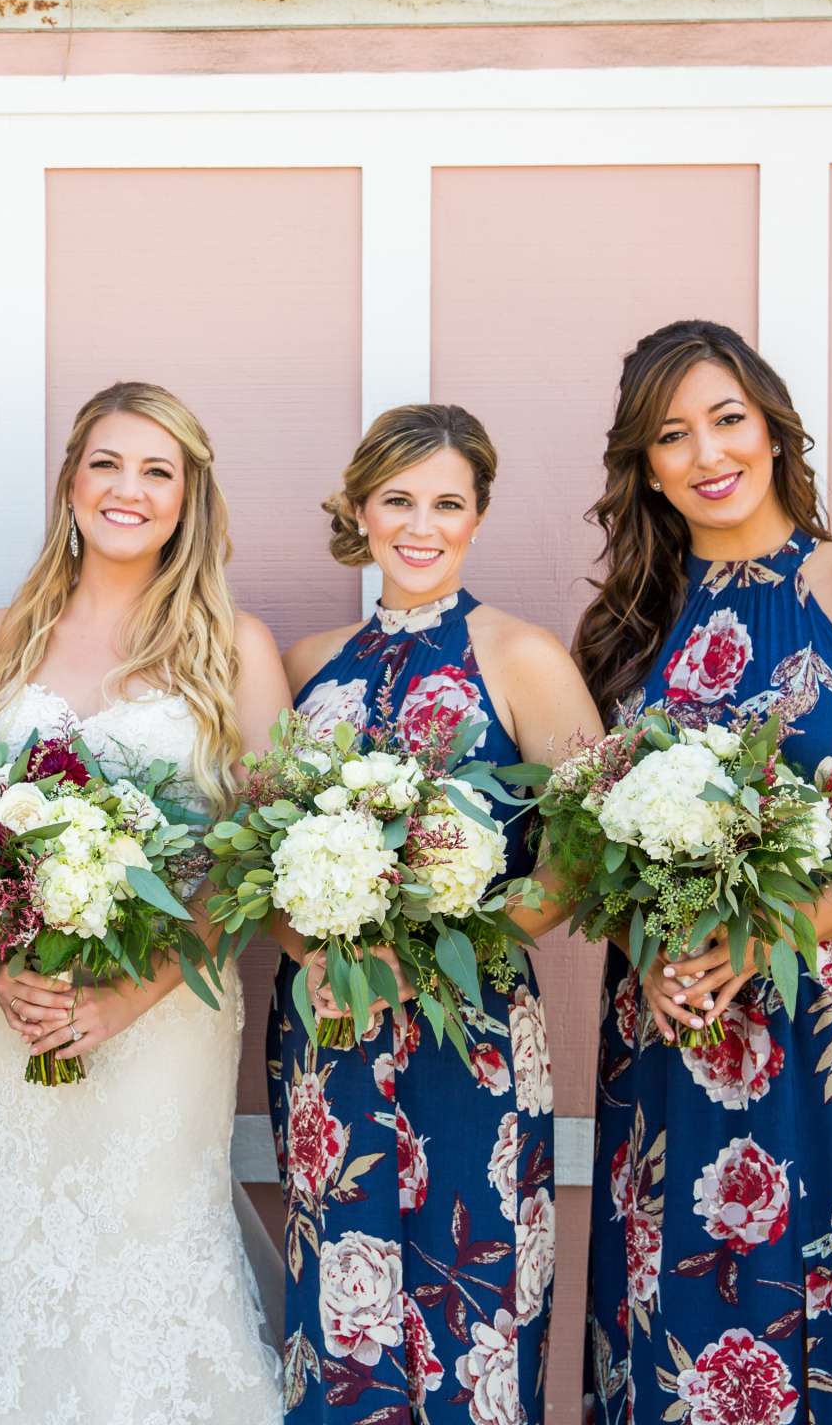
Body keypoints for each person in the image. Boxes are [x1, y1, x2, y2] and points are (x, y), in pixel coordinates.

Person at [574, 320, 832, 1423]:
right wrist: (646, 951)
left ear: (770, 426)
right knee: (672, 1323)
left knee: (830, 1316)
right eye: (672, 435)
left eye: (726, 419)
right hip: (672, 1034)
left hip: (831, 1020)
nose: (708, 453)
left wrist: (777, 930)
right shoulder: (622, 633)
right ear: (644, 466)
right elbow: (598, 859)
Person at [0, 380, 289, 1423]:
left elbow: (255, 865)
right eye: (107, 464)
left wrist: (124, 1001)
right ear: (71, 481)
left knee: (146, 1243)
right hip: (10, 1017)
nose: (128, 490)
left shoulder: (235, 653)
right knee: (16, 1259)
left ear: (188, 498)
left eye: (157, 471)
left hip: (164, 1018)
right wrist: (7, 976)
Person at [272, 403, 601, 1424]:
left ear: (477, 516)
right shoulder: (307, 665)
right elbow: (270, 857)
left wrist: (461, 946)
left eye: (448, 502)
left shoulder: (523, 656)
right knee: (343, 1300)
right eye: (399, 499)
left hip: (476, 1027)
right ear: (361, 509)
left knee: (477, 1293)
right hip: (331, 1023)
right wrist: (311, 946)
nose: (422, 524)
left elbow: (588, 855)